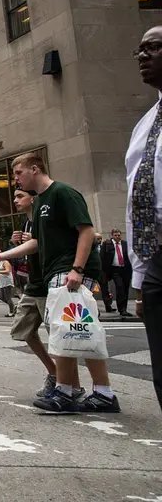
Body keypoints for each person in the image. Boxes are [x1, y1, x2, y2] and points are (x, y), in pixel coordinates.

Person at [0, 152, 116, 413]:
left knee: (66, 329)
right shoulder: (42, 201)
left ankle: (68, 391)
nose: (15, 180)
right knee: (78, 330)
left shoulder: (63, 193)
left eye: (19, 173)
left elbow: (86, 230)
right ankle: (101, 393)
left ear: (35, 168)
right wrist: (2, 254)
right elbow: (36, 243)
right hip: (58, 270)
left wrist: (77, 269)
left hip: (70, 270)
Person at [127, 25, 162, 411]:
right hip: (156, 262)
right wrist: (139, 276)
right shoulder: (144, 126)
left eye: (153, 48)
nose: (142, 55)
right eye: (139, 49)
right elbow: (138, 201)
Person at [7, 187, 59, 399]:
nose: (16, 201)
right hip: (33, 283)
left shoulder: (43, 219)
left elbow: (56, 245)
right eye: (15, 197)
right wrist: (16, 243)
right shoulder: (27, 222)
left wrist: (34, 240)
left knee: (58, 336)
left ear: (33, 199)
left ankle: (65, 382)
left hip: (47, 283)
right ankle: (54, 371)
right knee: (23, 329)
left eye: (20, 196)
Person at [101, 229, 132, 317]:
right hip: (114, 270)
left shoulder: (125, 244)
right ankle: (121, 309)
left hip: (125, 269)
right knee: (120, 287)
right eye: (115, 235)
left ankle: (124, 309)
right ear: (112, 235)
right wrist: (104, 271)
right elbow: (102, 257)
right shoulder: (107, 244)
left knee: (125, 289)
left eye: (119, 235)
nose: (117, 237)